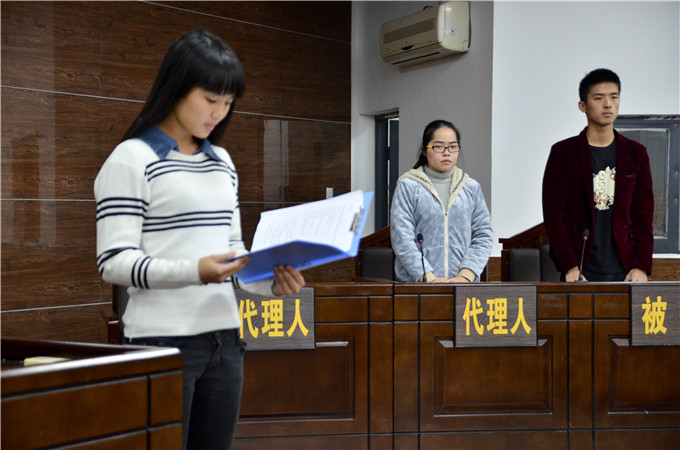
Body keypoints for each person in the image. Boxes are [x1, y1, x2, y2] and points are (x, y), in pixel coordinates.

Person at [94, 30, 305, 449]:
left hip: (225, 341)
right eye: (211, 100)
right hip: (160, 340)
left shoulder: (221, 162)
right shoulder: (132, 159)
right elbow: (113, 262)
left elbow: (233, 252)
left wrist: (270, 281)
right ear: (176, 86)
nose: (219, 114)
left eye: (228, 103)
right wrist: (195, 272)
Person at [542, 68, 654, 282]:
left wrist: (641, 266)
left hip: (626, 269)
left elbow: (643, 216)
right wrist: (570, 267)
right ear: (582, 106)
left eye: (614, 97)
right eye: (599, 98)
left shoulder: (636, 153)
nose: (608, 104)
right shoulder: (563, 153)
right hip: (580, 269)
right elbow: (553, 217)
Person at [390, 120, 493, 282]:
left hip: (463, 286)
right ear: (424, 150)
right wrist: (429, 278)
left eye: (453, 147)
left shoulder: (471, 187)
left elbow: (483, 235)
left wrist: (466, 276)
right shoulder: (409, 186)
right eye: (438, 146)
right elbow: (402, 238)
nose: (446, 153)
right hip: (417, 285)